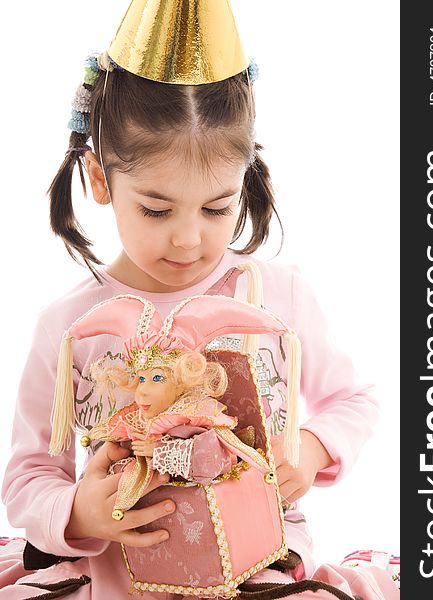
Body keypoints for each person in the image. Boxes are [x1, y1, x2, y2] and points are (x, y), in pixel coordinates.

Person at [0, 0, 399, 598]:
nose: (189, 238)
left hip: (253, 571)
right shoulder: (73, 326)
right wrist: (79, 512)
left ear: (246, 179)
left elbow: (354, 400)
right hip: (113, 578)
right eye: (156, 209)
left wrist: (312, 451)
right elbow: (30, 475)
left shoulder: (275, 298)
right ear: (102, 181)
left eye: (217, 207)